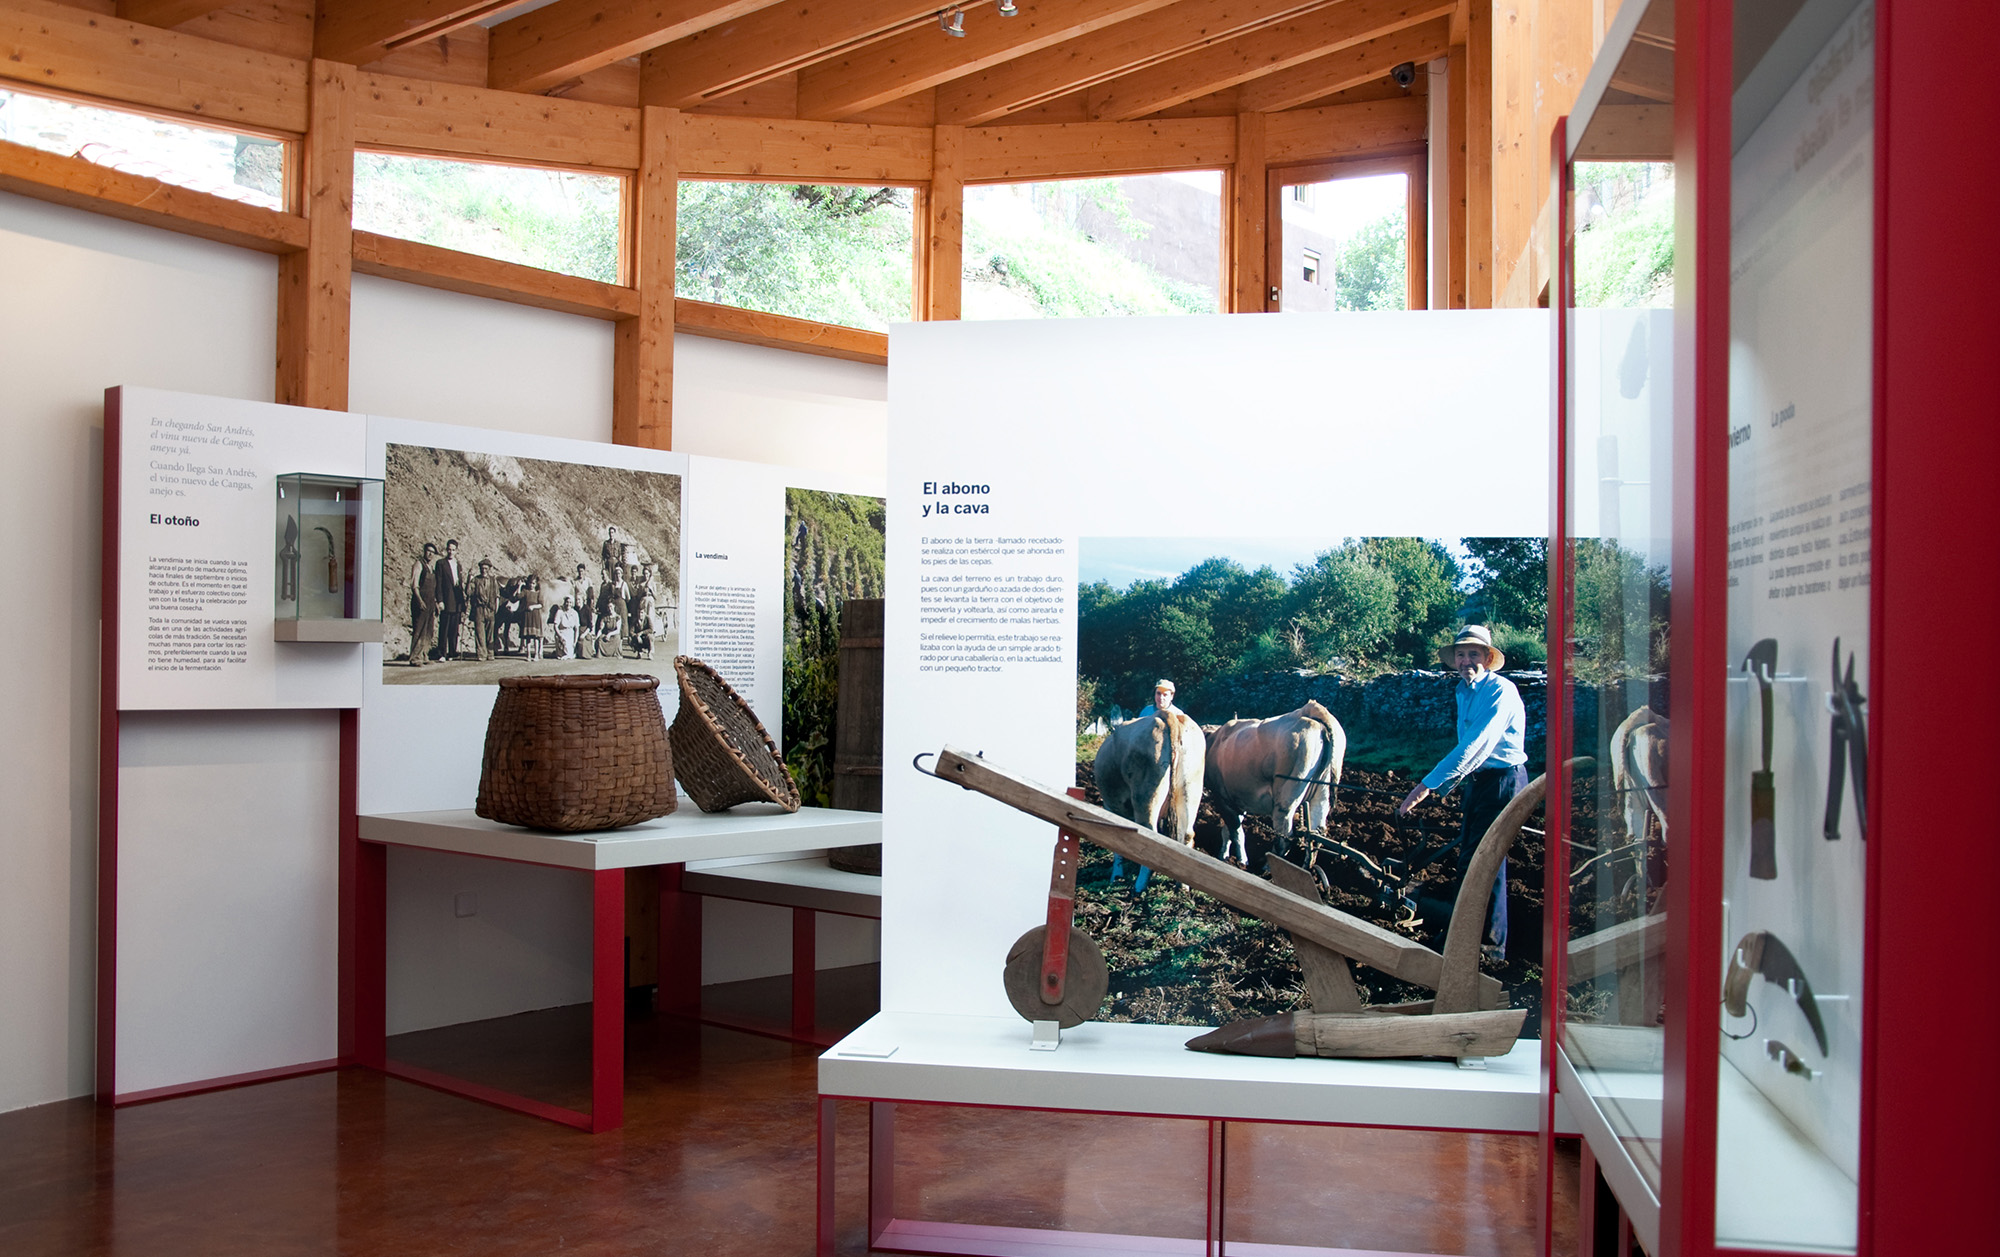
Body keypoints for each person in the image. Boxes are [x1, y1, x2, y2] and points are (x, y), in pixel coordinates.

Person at [1395, 625, 1528, 956]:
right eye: (1460, 654)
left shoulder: (1501, 691)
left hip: (1503, 782)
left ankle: (1488, 946)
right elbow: (1469, 751)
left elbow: (1476, 745)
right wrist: (1455, 781)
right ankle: (1465, 933)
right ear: (1453, 660)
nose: (1466, 660)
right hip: (1481, 781)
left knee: (1486, 862)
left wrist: (1428, 785)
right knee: (1470, 860)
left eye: (1473, 654)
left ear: (1486, 657)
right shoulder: (1463, 690)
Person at [406, 542, 438, 667]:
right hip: (421, 601)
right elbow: (414, 585)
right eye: (428, 551)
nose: (430, 554)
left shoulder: (431, 567)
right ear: (424, 551)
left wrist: (434, 603)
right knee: (419, 629)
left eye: (433, 552)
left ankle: (425, 655)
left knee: (428, 630)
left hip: (430, 602)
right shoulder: (418, 565)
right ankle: (415, 658)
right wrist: (419, 600)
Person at [434, 539, 467, 660]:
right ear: (446, 549)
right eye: (449, 549)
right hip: (446, 600)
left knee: (454, 629)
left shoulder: (458, 564)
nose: (451, 552)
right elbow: (438, 583)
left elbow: (460, 584)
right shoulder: (440, 563)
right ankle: (441, 653)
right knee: (444, 628)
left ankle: (452, 652)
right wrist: (440, 600)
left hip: (457, 600)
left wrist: (462, 603)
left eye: (453, 550)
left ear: (456, 551)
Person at [469, 559, 501, 661]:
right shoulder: (475, 580)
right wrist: (468, 579)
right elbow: (469, 592)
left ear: (489, 569)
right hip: (479, 608)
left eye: (486, 568)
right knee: (479, 632)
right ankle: (481, 654)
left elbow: (497, 595)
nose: (484, 570)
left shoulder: (493, 580)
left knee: (490, 632)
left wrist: (496, 607)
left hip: (490, 608)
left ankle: (490, 653)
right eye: (482, 568)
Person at [570, 563, 595, 657]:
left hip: (586, 605)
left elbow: (591, 594)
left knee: (589, 624)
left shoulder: (588, 581)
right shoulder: (575, 582)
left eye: (582, 571)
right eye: (579, 571)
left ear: (584, 571)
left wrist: (591, 605)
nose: (580, 573)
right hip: (578, 604)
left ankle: (591, 647)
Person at [522, 575, 546, 662]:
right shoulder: (525, 592)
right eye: (530, 583)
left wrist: (533, 606)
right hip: (527, 615)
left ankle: (536, 654)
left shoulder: (538, 593)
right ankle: (528, 654)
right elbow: (518, 596)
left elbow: (541, 604)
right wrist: (518, 586)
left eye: (533, 583)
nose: (531, 585)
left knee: (536, 637)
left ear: (536, 584)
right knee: (528, 637)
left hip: (535, 615)